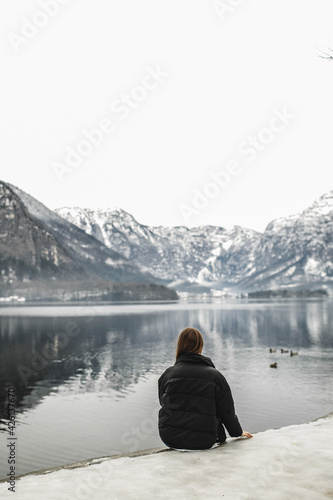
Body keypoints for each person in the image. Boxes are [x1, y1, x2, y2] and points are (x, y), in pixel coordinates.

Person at [158, 327, 253, 450]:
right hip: (203, 441)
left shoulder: (167, 375)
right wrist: (237, 432)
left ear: (179, 346)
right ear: (200, 347)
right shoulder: (215, 376)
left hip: (170, 438)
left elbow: (164, 403)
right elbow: (227, 412)